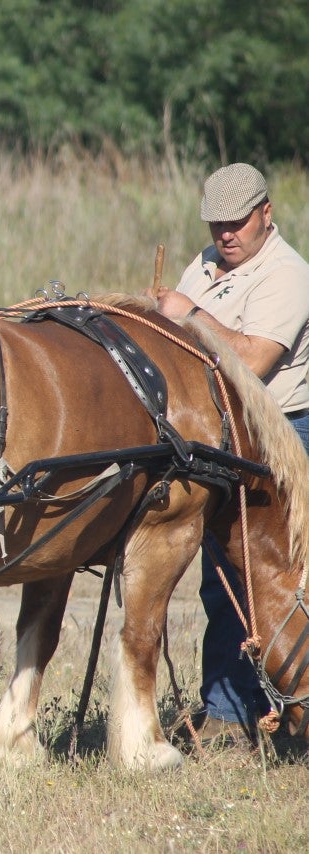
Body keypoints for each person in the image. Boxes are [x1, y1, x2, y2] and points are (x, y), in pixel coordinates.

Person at [154, 162, 309, 748]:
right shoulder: (207, 263)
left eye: (237, 222)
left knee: (267, 583)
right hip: (225, 443)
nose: (226, 233)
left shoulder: (288, 275)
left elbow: (254, 360)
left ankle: (250, 714)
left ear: (266, 213)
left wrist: (187, 313)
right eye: (217, 223)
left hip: (281, 440)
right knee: (220, 583)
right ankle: (227, 711)